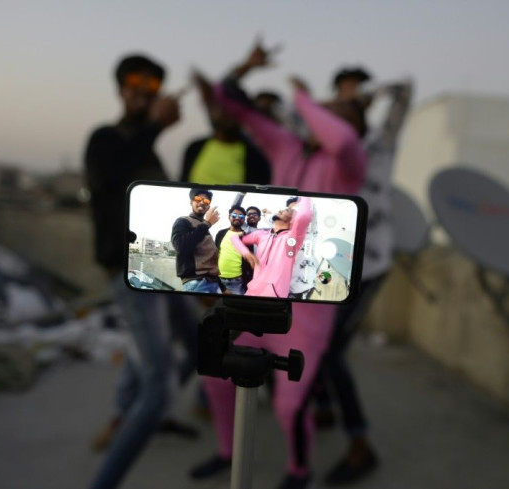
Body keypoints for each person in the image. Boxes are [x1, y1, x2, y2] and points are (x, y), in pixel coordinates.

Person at [190, 38, 367, 489]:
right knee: (215, 373)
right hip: (262, 292)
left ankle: (298, 471)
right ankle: (227, 452)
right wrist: (246, 68)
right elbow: (233, 103)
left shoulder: (349, 164)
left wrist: (306, 98)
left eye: (333, 114)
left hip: (309, 310)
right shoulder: (287, 148)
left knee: (291, 405)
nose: (322, 119)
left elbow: (343, 138)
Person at [84, 53, 200, 489]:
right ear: (119, 88)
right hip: (130, 274)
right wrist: (155, 125)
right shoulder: (106, 139)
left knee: (194, 346)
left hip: (163, 269)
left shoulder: (147, 151)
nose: (142, 88)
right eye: (134, 80)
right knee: (160, 384)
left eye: (152, 84)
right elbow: (108, 177)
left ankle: (136, 416)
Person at [313, 66, 415, 485]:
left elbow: (406, 90)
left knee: (331, 347)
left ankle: (360, 444)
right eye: (342, 95)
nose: (348, 100)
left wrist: (369, 92)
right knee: (318, 340)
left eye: (356, 95)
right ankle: (322, 403)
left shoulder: (380, 141)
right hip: (330, 260)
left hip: (368, 264)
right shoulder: (329, 145)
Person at [180, 71, 271, 186]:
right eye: (218, 106)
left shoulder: (256, 160)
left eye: (230, 107)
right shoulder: (194, 148)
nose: (223, 113)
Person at [232, 196, 313, 298]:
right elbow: (235, 238)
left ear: (293, 220)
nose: (280, 210)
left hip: (275, 297)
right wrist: (246, 253)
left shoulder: (293, 239)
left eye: (287, 210)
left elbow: (304, 216)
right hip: (251, 292)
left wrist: (305, 193)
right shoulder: (261, 234)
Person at [171, 188, 222, 293]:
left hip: (212, 282)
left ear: (208, 206)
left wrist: (223, 288)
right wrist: (207, 224)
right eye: (198, 199)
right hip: (196, 283)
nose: (202, 202)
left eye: (206, 201)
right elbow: (180, 246)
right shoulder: (183, 221)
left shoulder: (205, 227)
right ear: (191, 202)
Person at [214, 205, 252, 295]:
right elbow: (213, 255)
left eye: (241, 216)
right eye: (234, 215)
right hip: (219, 281)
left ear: (244, 219)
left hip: (238, 283)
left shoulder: (247, 236)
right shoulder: (221, 233)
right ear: (229, 217)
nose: (237, 218)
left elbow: (248, 261)